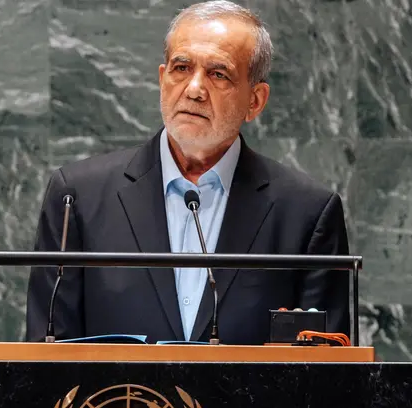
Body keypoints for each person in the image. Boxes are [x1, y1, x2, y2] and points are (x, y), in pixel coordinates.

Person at [26, 0, 350, 344]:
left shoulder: (306, 214)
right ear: (162, 79)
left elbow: (325, 366)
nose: (194, 90)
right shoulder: (77, 198)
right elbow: (45, 357)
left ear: (255, 101)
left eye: (218, 74)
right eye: (181, 68)